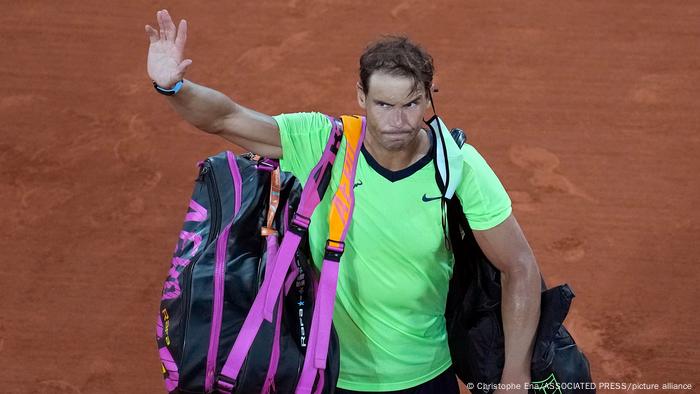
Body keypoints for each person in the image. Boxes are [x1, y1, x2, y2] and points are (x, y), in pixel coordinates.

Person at [145, 9, 542, 394]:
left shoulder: (457, 166)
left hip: (426, 375)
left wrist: (515, 376)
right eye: (384, 105)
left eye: (411, 104)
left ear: (428, 98)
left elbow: (519, 266)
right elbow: (225, 118)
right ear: (361, 97)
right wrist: (174, 87)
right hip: (327, 374)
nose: (398, 121)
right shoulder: (321, 142)